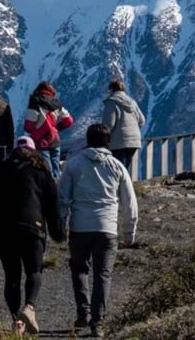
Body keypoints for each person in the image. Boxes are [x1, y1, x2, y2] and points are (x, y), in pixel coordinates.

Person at [0, 135, 64, 336]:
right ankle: (29, 308)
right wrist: (58, 232)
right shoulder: (41, 171)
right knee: (34, 271)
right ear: (34, 151)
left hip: (3, 230)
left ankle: (17, 320)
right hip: (32, 228)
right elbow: (53, 205)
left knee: (12, 276)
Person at [58, 123, 138, 337]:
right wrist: (129, 231)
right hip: (107, 228)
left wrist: (61, 226)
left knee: (79, 269)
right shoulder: (117, 166)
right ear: (108, 142)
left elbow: (63, 198)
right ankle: (98, 322)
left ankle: (83, 312)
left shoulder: (73, 165)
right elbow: (130, 201)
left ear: (87, 140)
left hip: (80, 226)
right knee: (103, 274)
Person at [24, 80, 74, 174]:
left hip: (41, 141)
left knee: (46, 169)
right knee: (56, 168)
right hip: (55, 140)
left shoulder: (35, 102)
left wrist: (35, 131)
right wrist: (56, 128)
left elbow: (29, 125)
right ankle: (57, 186)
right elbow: (69, 121)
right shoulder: (57, 104)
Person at [100, 78, 146, 175]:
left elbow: (109, 124)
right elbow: (142, 120)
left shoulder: (111, 102)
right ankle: (125, 187)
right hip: (134, 140)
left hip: (118, 141)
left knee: (116, 169)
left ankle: (118, 189)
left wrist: (102, 135)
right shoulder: (132, 102)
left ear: (111, 89)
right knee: (124, 168)